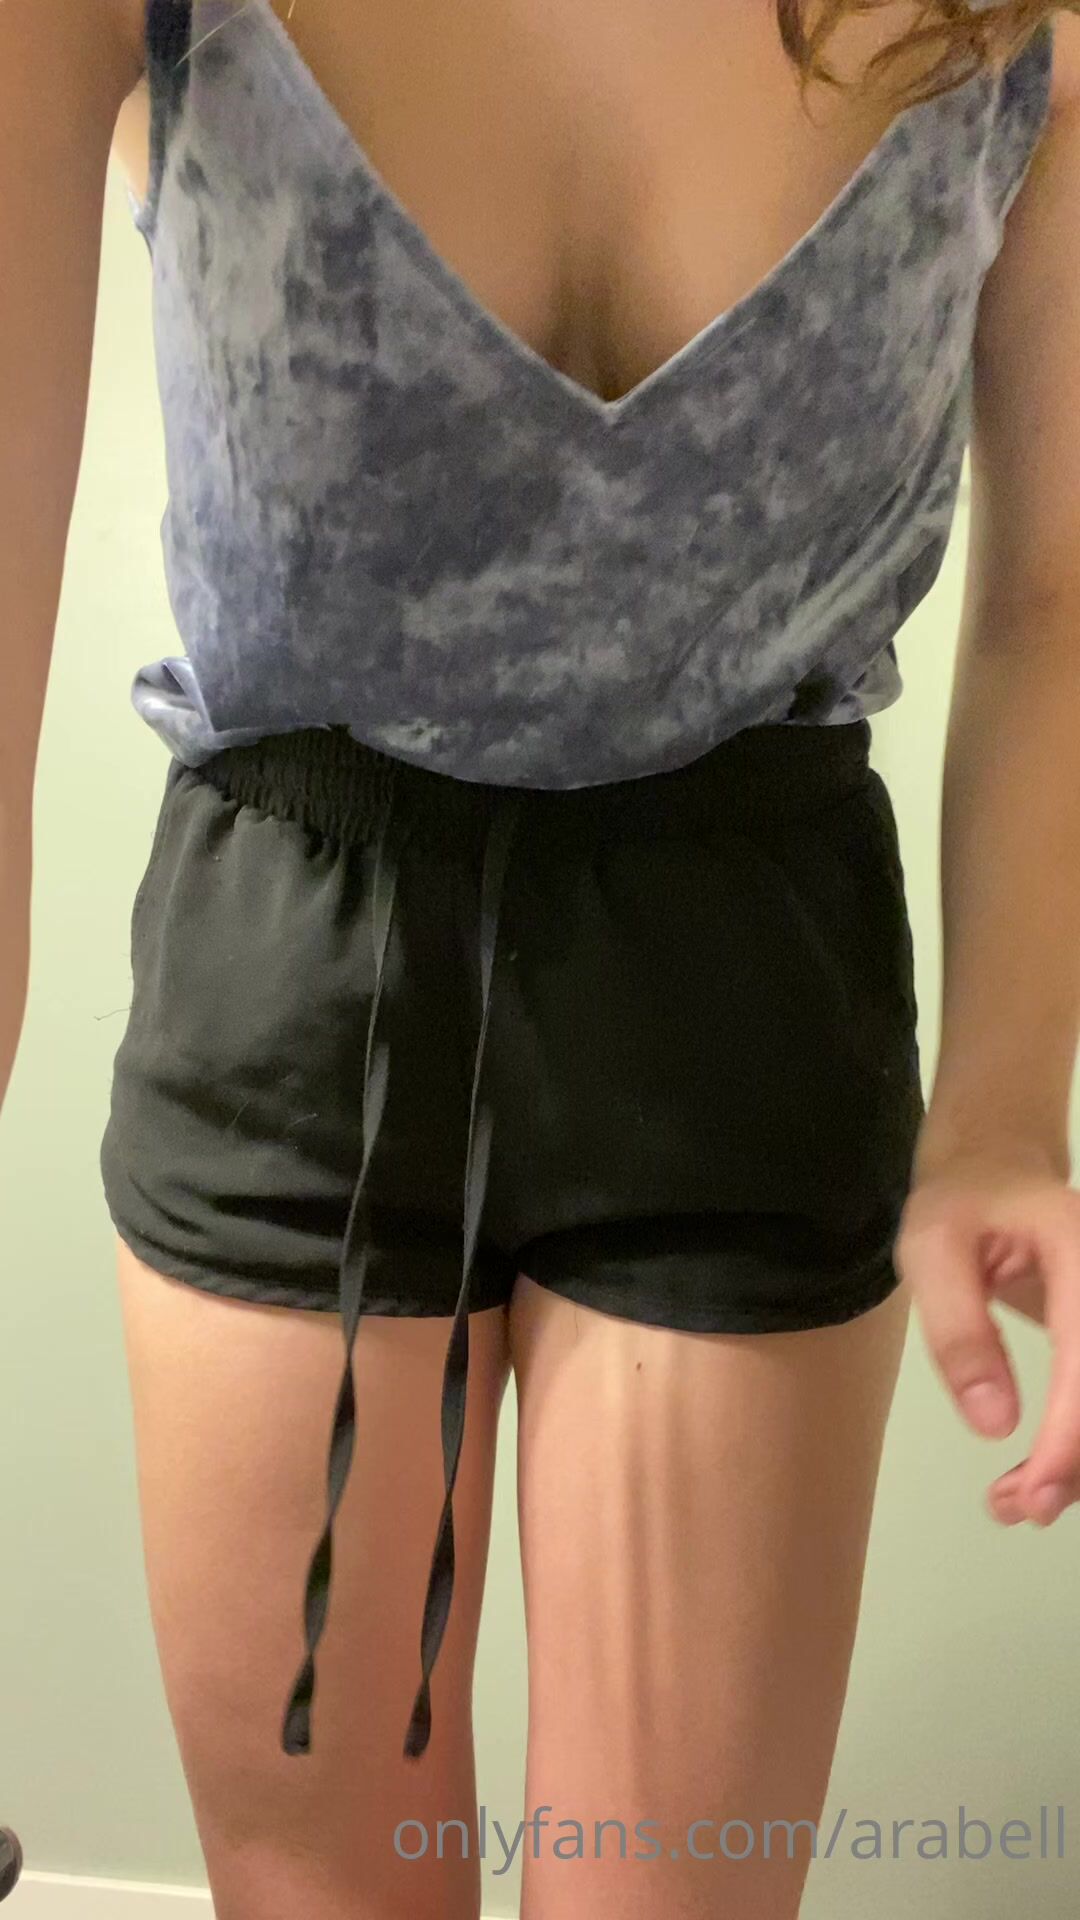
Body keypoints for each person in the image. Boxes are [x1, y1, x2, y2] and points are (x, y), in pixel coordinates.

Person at [3, 0, 1079, 1914]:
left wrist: (1005, 1104)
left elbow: (1061, 595)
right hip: (298, 985)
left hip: (748, 993)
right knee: (319, 1889)